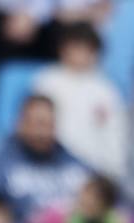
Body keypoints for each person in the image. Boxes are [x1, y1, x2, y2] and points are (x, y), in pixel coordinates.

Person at [0, 94, 88, 223]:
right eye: (37, 124)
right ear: (20, 123)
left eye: (48, 125)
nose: (42, 133)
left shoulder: (79, 169)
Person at [31, 22, 128, 180]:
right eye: (77, 48)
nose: (81, 55)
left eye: (87, 50)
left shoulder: (106, 90)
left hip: (95, 171)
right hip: (53, 167)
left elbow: (115, 137)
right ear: (63, 50)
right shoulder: (46, 81)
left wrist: (113, 173)